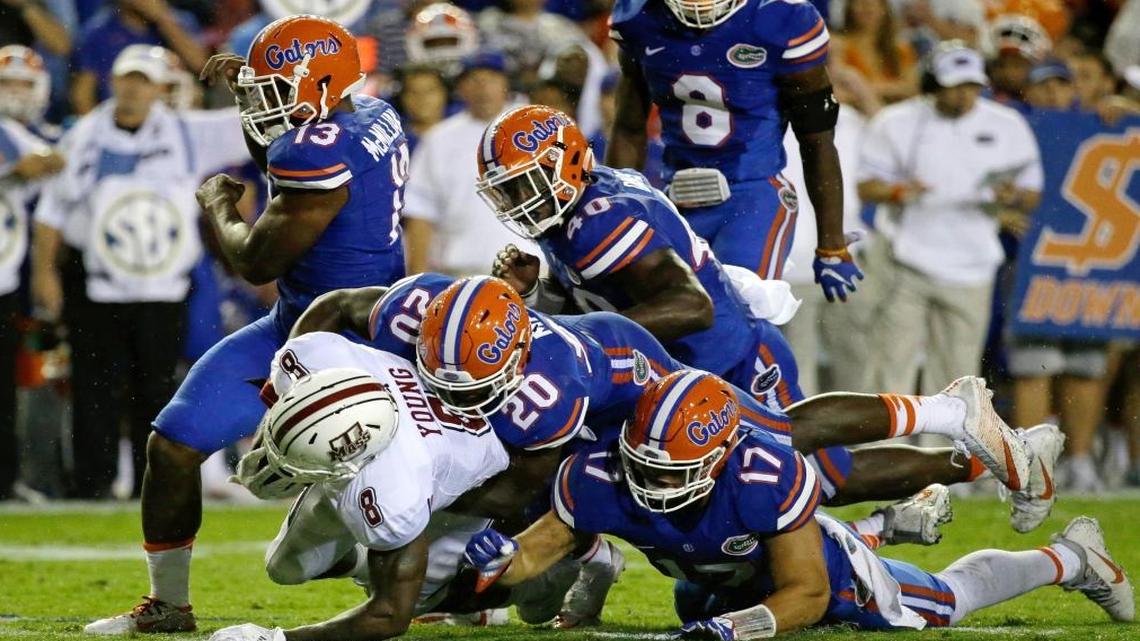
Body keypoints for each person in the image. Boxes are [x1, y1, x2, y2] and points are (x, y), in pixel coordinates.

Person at [86, 15, 410, 634]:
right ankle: (168, 607)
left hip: (355, 339)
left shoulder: (323, 148)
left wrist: (215, 205)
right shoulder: (367, 113)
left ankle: (478, 575)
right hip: (297, 321)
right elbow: (279, 155)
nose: (264, 100)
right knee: (175, 446)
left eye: (275, 88)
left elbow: (257, 258)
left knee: (392, 485)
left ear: (319, 84)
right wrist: (251, 100)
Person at [303, 274, 1050, 537]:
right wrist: (302, 388)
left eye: (468, 381)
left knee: (786, 443)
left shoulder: (547, 385)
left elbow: (523, 483)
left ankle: (953, 415)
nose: (448, 390)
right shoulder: (419, 309)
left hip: (630, 376)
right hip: (584, 362)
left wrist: (419, 503)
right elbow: (335, 307)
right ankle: (959, 460)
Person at [465, 371, 1135, 639]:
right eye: (644, 462)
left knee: (937, 603)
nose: (653, 482)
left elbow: (807, 591)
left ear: (721, 453)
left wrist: (739, 629)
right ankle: (888, 522)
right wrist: (506, 559)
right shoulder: (599, 473)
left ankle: (1072, 556)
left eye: (674, 468)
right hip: (712, 580)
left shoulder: (762, 473)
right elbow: (541, 547)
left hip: (806, 572)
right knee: (692, 605)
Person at [206, 332, 590, 641]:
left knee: (423, 597)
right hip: (399, 454)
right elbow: (334, 307)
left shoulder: (396, 485)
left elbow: (389, 616)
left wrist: (276, 639)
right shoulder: (318, 354)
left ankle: (550, 578)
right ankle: (367, 561)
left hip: (460, 502)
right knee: (284, 568)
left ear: (348, 461)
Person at [31, 44, 246, 501]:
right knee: (94, 388)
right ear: (114, 81)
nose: (133, 89)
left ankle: (155, 485)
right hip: (94, 283)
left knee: (157, 387)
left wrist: (245, 81)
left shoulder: (187, 133)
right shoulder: (83, 136)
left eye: (144, 81)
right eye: (128, 78)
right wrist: (45, 272)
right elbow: (52, 211)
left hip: (164, 287)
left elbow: (248, 125)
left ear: (160, 90)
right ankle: (91, 486)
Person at [484, 105, 804, 413]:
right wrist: (534, 293)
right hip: (682, 381)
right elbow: (587, 307)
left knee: (814, 465)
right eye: (507, 189)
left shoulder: (603, 218)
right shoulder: (564, 214)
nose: (517, 200)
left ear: (564, 164)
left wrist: (585, 340)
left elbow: (692, 306)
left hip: (736, 366)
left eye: (524, 184)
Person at [606, 0, 861, 303]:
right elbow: (628, 128)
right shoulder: (641, 18)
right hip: (676, 198)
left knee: (736, 315)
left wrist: (831, 244)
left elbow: (817, 138)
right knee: (668, 322)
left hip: (752, 198)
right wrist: (619, 216)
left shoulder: (780, 19)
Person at [857, 42, 1043, 398]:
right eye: (953, 86)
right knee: (889, 368)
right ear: (932, 83)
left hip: (972, 263)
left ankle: (943, 454)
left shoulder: (1007, 124)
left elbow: (1031, 192)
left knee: (958, 378)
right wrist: (898, 192)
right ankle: (881, 452)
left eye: (970, 86)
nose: (963, 95)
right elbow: (866, 185)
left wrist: (1012, 197)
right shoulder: (896, 122)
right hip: (906, 260)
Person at [401, 50, 535, 276]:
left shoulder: (533, 130)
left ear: (506, 84)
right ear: (461, 89)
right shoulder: (438, 139)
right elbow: (421, 214)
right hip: (460, 275)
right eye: (474, 80)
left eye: (491, 79)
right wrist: (417, 278)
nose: (483, 88)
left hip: (532, 274)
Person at [0, 44, 64, 502]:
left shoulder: (44, 132)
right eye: (8, 84)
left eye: (25, 83)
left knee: (30, 376)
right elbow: (40, 163)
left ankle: (15, 475)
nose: (17, 94)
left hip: (36, 270)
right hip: (15, 268)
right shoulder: (17, 137)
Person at [70, 0, 208, 115]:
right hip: (122, 120)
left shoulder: (182, 21)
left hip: (173, 121)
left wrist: (162, 19)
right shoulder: (98, 32)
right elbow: (82, 98)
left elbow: (200, 65)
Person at [833, 0, 919, 103]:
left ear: (884, 8)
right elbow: (837, 94)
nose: (867, 7)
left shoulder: (900, 48)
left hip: (895, 111)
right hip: (854, 113)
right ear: (850, 8)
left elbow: (912, 89)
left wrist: (866, 90)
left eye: (873, 3)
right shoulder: (838, 46)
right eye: (860, 3)